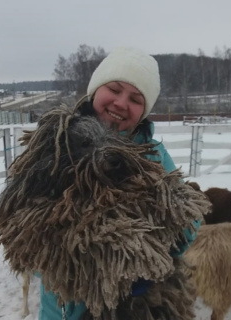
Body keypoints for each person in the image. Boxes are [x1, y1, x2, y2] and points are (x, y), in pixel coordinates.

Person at [38, 46, 201, 320]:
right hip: (64, 308)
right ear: (95, 89)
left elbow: (187, 222)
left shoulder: (155, 156)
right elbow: (23, 227)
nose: (121, 103)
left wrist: (149, 260)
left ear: (144, 110)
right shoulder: (55, 143)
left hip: (133, 308)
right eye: (114, 89)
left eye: (136, 99)